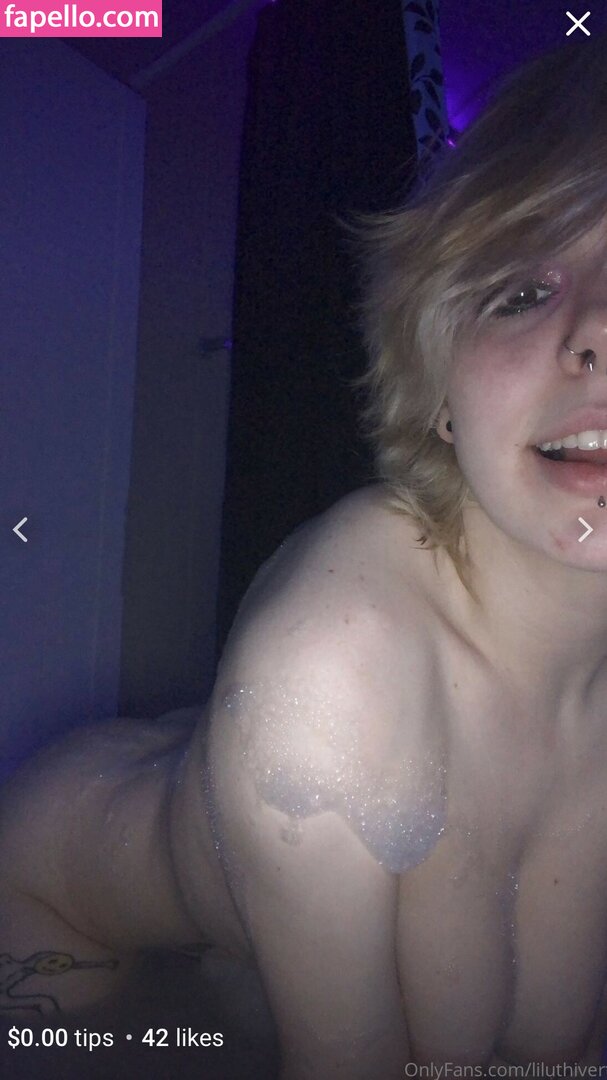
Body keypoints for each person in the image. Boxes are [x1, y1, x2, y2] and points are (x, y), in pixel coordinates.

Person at [3, 31, 607, 1078]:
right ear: (442, 396)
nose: (595, 334)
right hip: (59, 906)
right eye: (520, 292)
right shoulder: (332, 671)